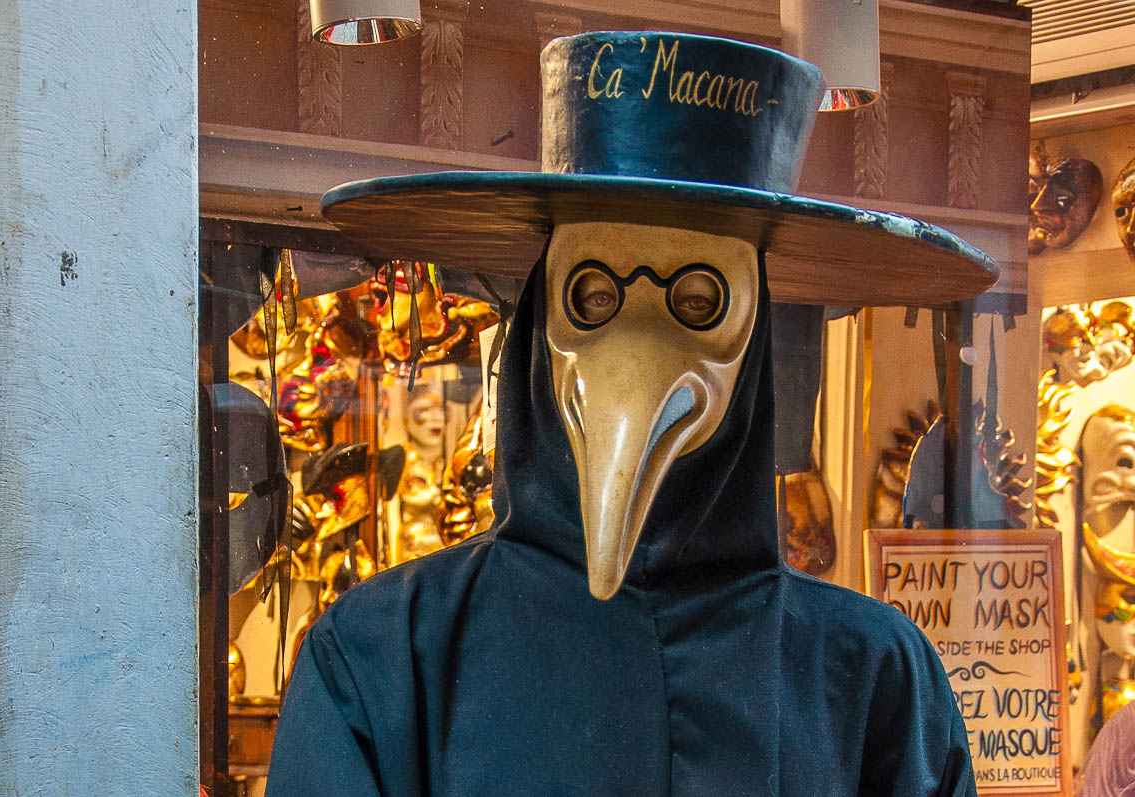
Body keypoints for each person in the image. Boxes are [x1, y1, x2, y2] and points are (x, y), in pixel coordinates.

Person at [266, 31, 997, 795]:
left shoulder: (874, 677)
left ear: (751, 335)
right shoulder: (386, 663)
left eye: (697, 301)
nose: (637, 355)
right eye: (593, 296)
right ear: (542, 322)